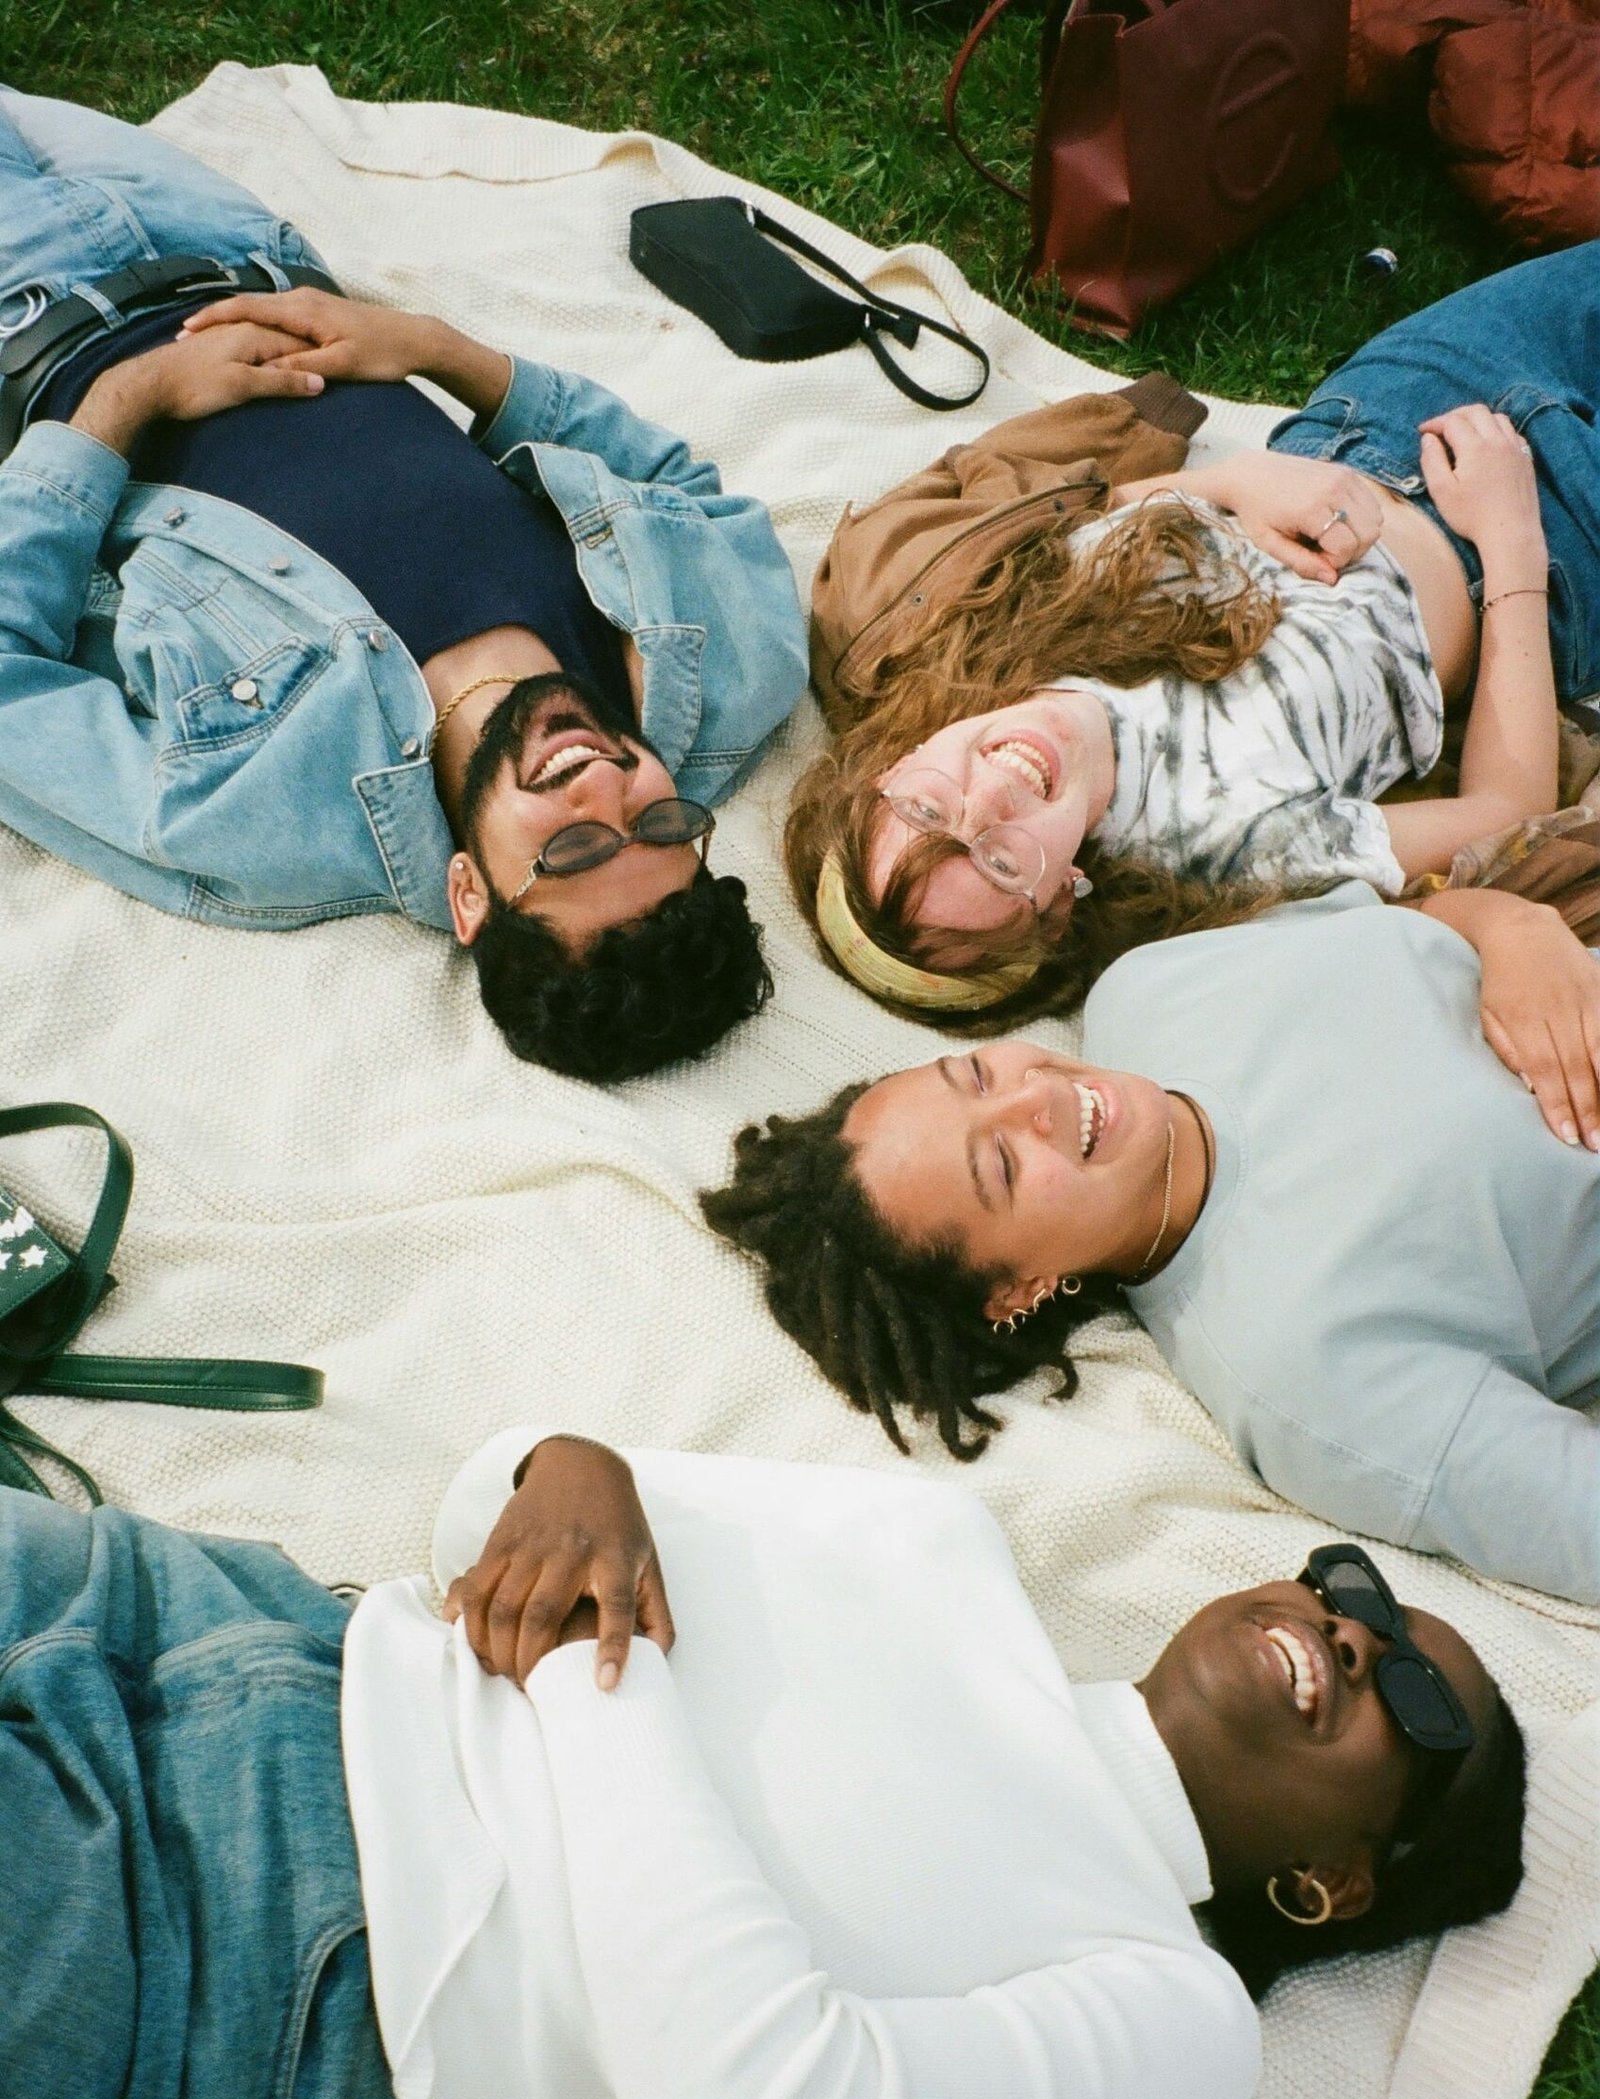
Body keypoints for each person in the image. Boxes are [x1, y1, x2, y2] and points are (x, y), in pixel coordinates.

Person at [0, 1427, 1523, 2099]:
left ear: (1332, 1885)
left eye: (1418, 1702)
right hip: (234, 1628)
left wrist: (588, 1666)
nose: (1354, 1632)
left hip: (298, 2003)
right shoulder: (941, 1544)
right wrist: (574, 1461)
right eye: (1357, 1592)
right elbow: (495, 1516)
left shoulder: (1174, 2030)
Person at [0, 90, 809, 1081]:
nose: (605, 785)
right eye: (659, 824)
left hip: (31, 328)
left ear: (470, 895)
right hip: (235, 241)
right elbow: (679, 486)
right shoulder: (724, 672)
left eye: (573, 851)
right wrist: (439, 352)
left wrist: (125, 402)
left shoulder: (259, 820)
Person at [702, 878, 1600, 1603]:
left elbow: (1419, 915)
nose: (1035, 1095)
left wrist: (1518, 930)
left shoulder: (1146, 990)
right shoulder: (1307, 1374)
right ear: (1018, 1289)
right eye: (1001, 1165)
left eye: (975, 1075)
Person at [788, 244, 1600, 1028]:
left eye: (928, 808)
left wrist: (1233, 479)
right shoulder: (1226, 853)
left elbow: (1100, 506)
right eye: (1000, 863)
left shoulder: (959, 648)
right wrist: (1512, 544)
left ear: (891, 771)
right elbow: (1506, 811)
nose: (993, 796)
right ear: (1061, 902)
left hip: (1395, 408)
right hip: (1560, 539)